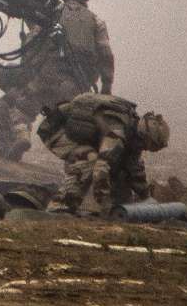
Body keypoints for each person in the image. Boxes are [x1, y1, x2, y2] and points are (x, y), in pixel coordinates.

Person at [0, 0, 115, 161]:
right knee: (75, 130)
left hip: (45, 79)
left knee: (19, 109)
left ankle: (21, 137)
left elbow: (30, 47)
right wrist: (106, 87)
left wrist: (26, 73)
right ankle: (87, 162)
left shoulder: (51, 15)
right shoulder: (96, 22)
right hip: (76, 88)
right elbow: (106, 55)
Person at [37, 91, 170, 215]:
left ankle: (121, 206)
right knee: (89, 159)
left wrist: (146, 198)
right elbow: (101, 169)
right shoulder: (117, 133)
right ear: (145, 136)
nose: (147, 149)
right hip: (55, 129)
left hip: (79, 135)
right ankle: (60, 207)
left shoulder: (132, 133)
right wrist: (106, 205)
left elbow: (133, 167)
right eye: (150, 145)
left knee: (120, 165)